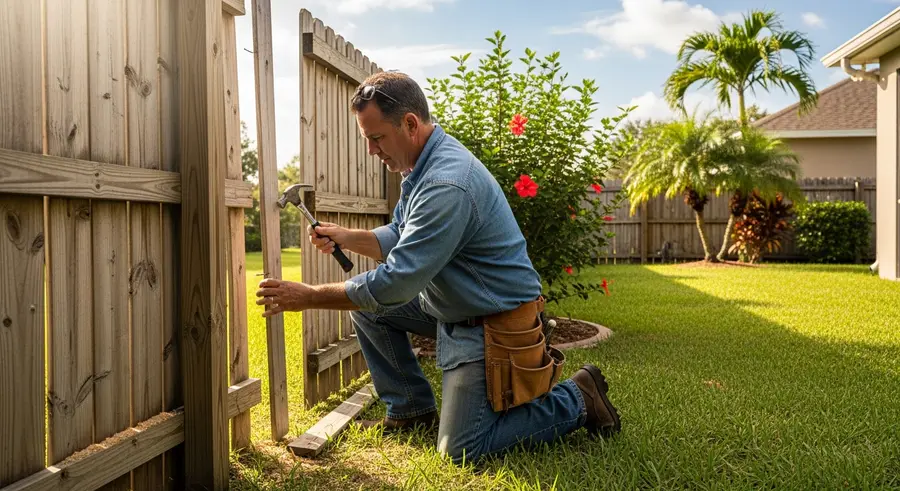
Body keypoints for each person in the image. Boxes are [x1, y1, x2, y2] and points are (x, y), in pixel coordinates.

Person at [255, 71, 620, 464]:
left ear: (410, 124)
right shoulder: (422, 166)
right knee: (370, 312)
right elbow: (401, 234)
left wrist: (308, 297)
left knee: (461, 450)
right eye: (368, 140)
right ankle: (410, 409)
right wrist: (348, 236)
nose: (373, 151)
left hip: (492, 326)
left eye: (377, 138)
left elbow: (396, 283)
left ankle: (577, 397)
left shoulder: (447, 183)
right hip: (458, 308)